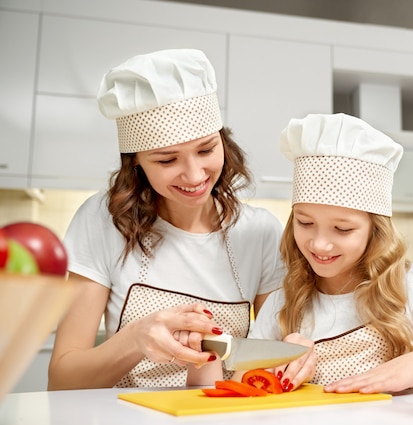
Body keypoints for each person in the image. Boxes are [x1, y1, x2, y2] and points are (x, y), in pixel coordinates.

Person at [48, 49, 285, 389]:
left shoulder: (260, 231)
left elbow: (269, 358)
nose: (194, 174)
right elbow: (62, 381)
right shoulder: (102, 220)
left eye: (206, 150)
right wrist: (136, 339)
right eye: (167, 160)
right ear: (137, 163)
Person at [246, 113, 413, 394]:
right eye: (305, 223)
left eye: (342, 229)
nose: (319, 244)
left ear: (374, 230)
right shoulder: (285, 300)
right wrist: (276, 365)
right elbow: (244, 376)